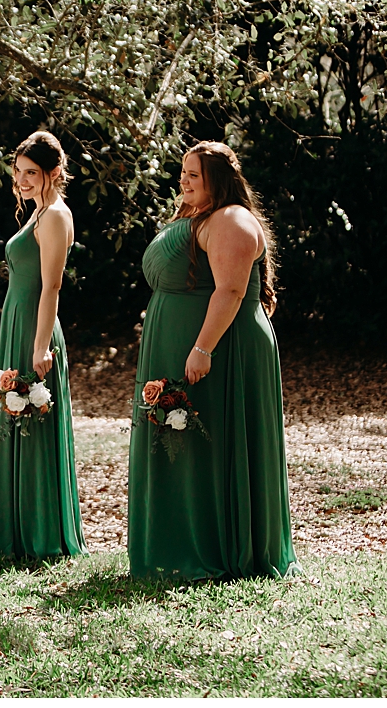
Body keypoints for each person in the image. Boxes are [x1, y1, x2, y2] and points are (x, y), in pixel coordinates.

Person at [126, 140, 299, 581]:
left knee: (212, 440)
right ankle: (180, 540)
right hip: (180, 345)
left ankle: (219, 546)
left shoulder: (231, 219)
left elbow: (231, 291)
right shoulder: (197, 216)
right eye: (182, 172)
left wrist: (202, 348)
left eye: (193, 175)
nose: (182, 181)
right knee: (183, 442)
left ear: (217, 180)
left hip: (221, 350)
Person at [0, 130, 85, 559]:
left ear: (53, 173)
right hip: (17, 323)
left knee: (30, 421)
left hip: (35, 328)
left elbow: (51, 286)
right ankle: (14, 530)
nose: (21, 180)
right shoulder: (39, 213)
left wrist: (40, 348)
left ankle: (39, 534)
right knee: (15, 422)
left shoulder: (55, 215)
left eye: (31, 172)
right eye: (18, 171)